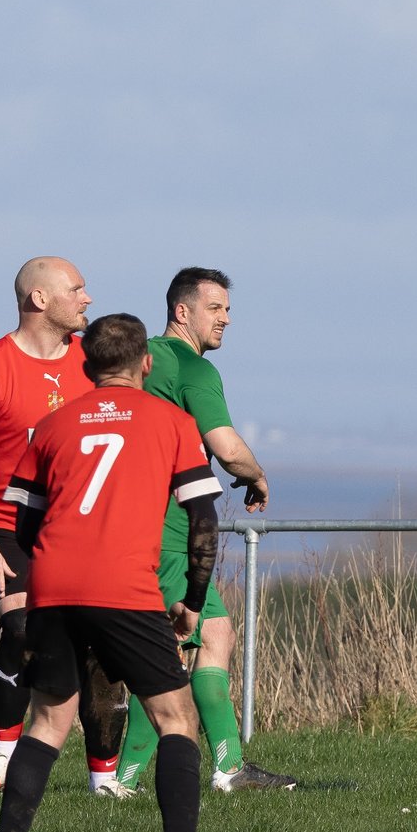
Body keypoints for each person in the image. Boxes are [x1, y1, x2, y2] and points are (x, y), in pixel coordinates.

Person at [0, 313, 227, 832]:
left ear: (88, 366)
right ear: (146, 363)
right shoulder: (170, 421)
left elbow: (23, 523)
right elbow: (204, 519)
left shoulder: (53, 425)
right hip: (125, 587)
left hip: (53, 585)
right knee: (175, 717)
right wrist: (192, 600)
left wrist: (41, 581)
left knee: (48, 720)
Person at [0, 257, 126, 797]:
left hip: (80, 533)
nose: (87, 298)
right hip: (7, 528)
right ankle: (0, 758)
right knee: (22, 632)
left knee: (100, 650)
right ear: (40, 299)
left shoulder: (93, 365)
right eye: (77, 289)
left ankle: (104, 780)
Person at [111, 267, 295, 794]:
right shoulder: (192, 368)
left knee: (198, 637)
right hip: (169, 526)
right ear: (182, 312)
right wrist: (257, 476)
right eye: (216, 309)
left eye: (228, 309)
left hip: (119, 519)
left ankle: (206, 769)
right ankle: (139, 779)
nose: (227, 319)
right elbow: (227, 447)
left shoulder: (135, 357)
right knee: (189, 641)